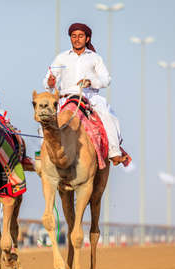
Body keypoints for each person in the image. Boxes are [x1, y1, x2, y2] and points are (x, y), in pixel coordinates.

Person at [43, 22, 128, 165]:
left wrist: (91, 81)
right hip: (65, 98)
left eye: (80, 36)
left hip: (89, 97)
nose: (77, 39)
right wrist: (50, 83)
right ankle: (43, 154)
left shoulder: (95, 58)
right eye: (74, 36)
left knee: (108, 116)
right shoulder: (61, 58)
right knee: (44, 119)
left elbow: (106, 80)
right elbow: (48, 79)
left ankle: (114, 152)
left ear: (87, 39)